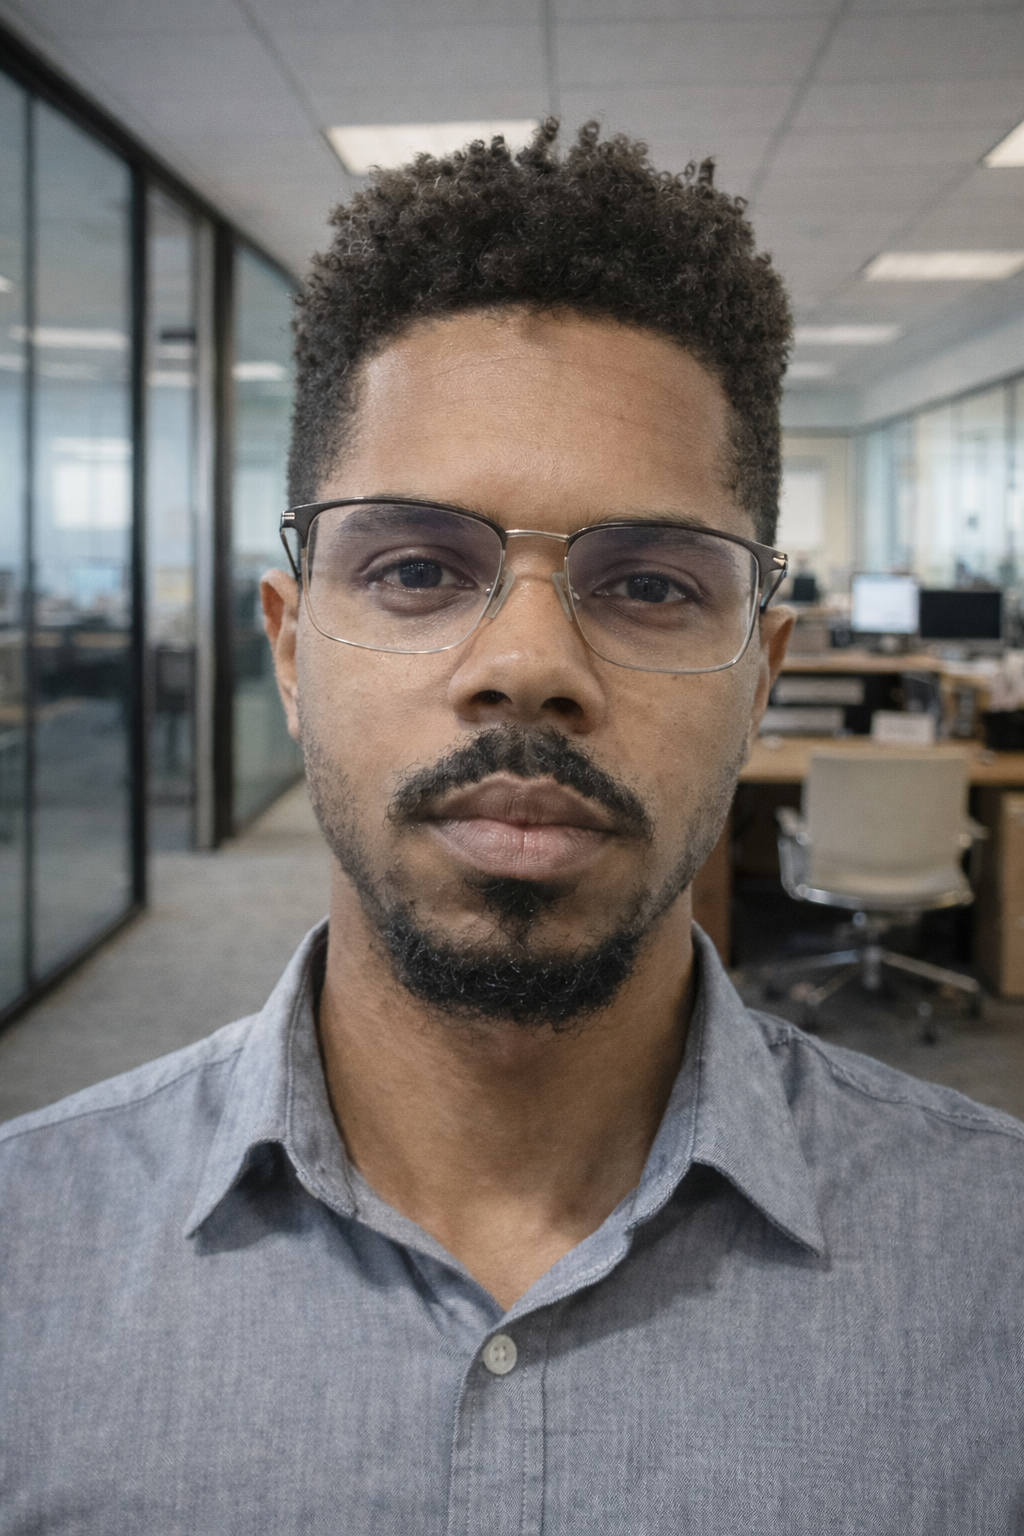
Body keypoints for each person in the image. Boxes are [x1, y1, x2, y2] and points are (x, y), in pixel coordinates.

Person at [2, 122, 1022, 1534]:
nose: (530, 664)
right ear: (291, 653)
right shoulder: (25, 1253)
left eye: (651, 585)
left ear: (759, 679)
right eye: (418, 568)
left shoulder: (996, 1267)